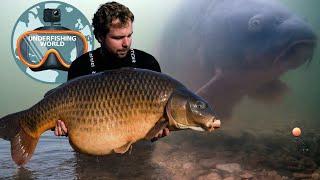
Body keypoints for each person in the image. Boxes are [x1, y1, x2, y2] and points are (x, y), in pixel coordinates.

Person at [54, 1, 169, 141]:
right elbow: (71, 122)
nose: (126, 43)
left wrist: (158, 132)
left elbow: (156, 124)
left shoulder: (147, 63)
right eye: (118, 37)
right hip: (95, 148)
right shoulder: (81, 66)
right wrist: (64, 127)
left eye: (129, 35)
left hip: (138, 150)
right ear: (100, 37)